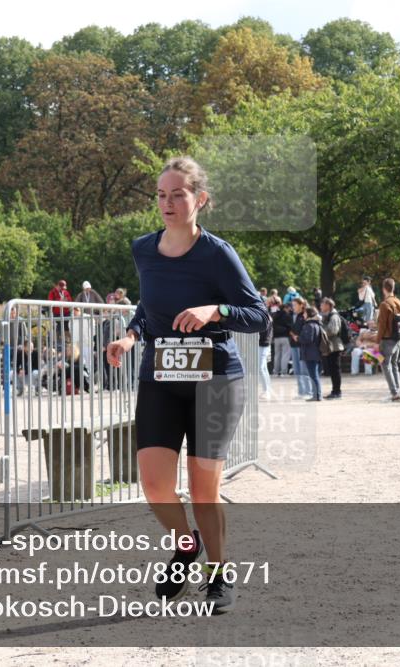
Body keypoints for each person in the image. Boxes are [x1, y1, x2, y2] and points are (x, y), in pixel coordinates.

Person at [104, 156, 268, 613]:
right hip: (161, 376)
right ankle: (186, 545)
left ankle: (219, 574)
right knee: (155, 486)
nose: (168, 203)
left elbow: (258, 315)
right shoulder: (143, 249)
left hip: (215, 380)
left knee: (202, 489)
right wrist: (130, 335)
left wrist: (215, 311)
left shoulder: (217, 253)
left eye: (178, 194)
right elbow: (148, 305)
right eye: (161, 195)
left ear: (200, 199)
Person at [376, 278, 400, 402]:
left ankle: (394, 393)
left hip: (387, 339)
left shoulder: (385, 304)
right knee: (394, 365)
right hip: (398, 339)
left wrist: (377, 341)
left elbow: (382, 325)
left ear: (384, 289)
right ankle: (397, 391)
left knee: (384, 365)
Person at [298, 305, 324, 402]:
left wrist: (299, 338)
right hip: (316, 353)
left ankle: (317, 395)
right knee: (315, 375)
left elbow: (308, 339)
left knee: (313, 375)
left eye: (305, 313)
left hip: (310, 354)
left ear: (309, 314)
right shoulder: (317, 324)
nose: (303, 315)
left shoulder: (309, 325)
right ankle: (317, 395)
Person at [319, 297, 344, 399]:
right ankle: (335, 391)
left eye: (322, 304)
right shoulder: (327, 316)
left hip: (335, 346)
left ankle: (337, 392)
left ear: (328, 306)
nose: (321, 306)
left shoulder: (334, 316)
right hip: (331, 346)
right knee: (332, 370)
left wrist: (320, 328)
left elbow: (332, 330)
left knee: (335, 370)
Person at [289, 296, 311, 397]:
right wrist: (291, 333)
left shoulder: (305, 315)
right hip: (294, 345)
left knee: (304, 369)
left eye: (295, 305)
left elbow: (306, 330)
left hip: (302, 346)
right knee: (297, 370)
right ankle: (301, 391)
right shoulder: (295, 316)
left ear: (301, 305)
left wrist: (297, 336)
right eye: (292, 305)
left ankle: (308, 391)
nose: (293, 307)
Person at [271, 301, 293, 376]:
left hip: (276, 338)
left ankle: (276, 371)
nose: (290, 309)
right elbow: (290, 327)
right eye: (289, 308)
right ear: (285, 308)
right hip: (285, 337)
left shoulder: (275, 315)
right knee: (285, 355)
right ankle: (284, 371)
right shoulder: (287, 316)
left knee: (277, 355)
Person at [258, 308, 274, 400]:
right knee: (263, 368)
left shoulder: (265, 318)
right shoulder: (267, 317)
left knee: (261, 368)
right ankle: (267, 389)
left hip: (263, 344)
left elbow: (264, 333)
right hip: (265, 343)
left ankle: (266, 390)